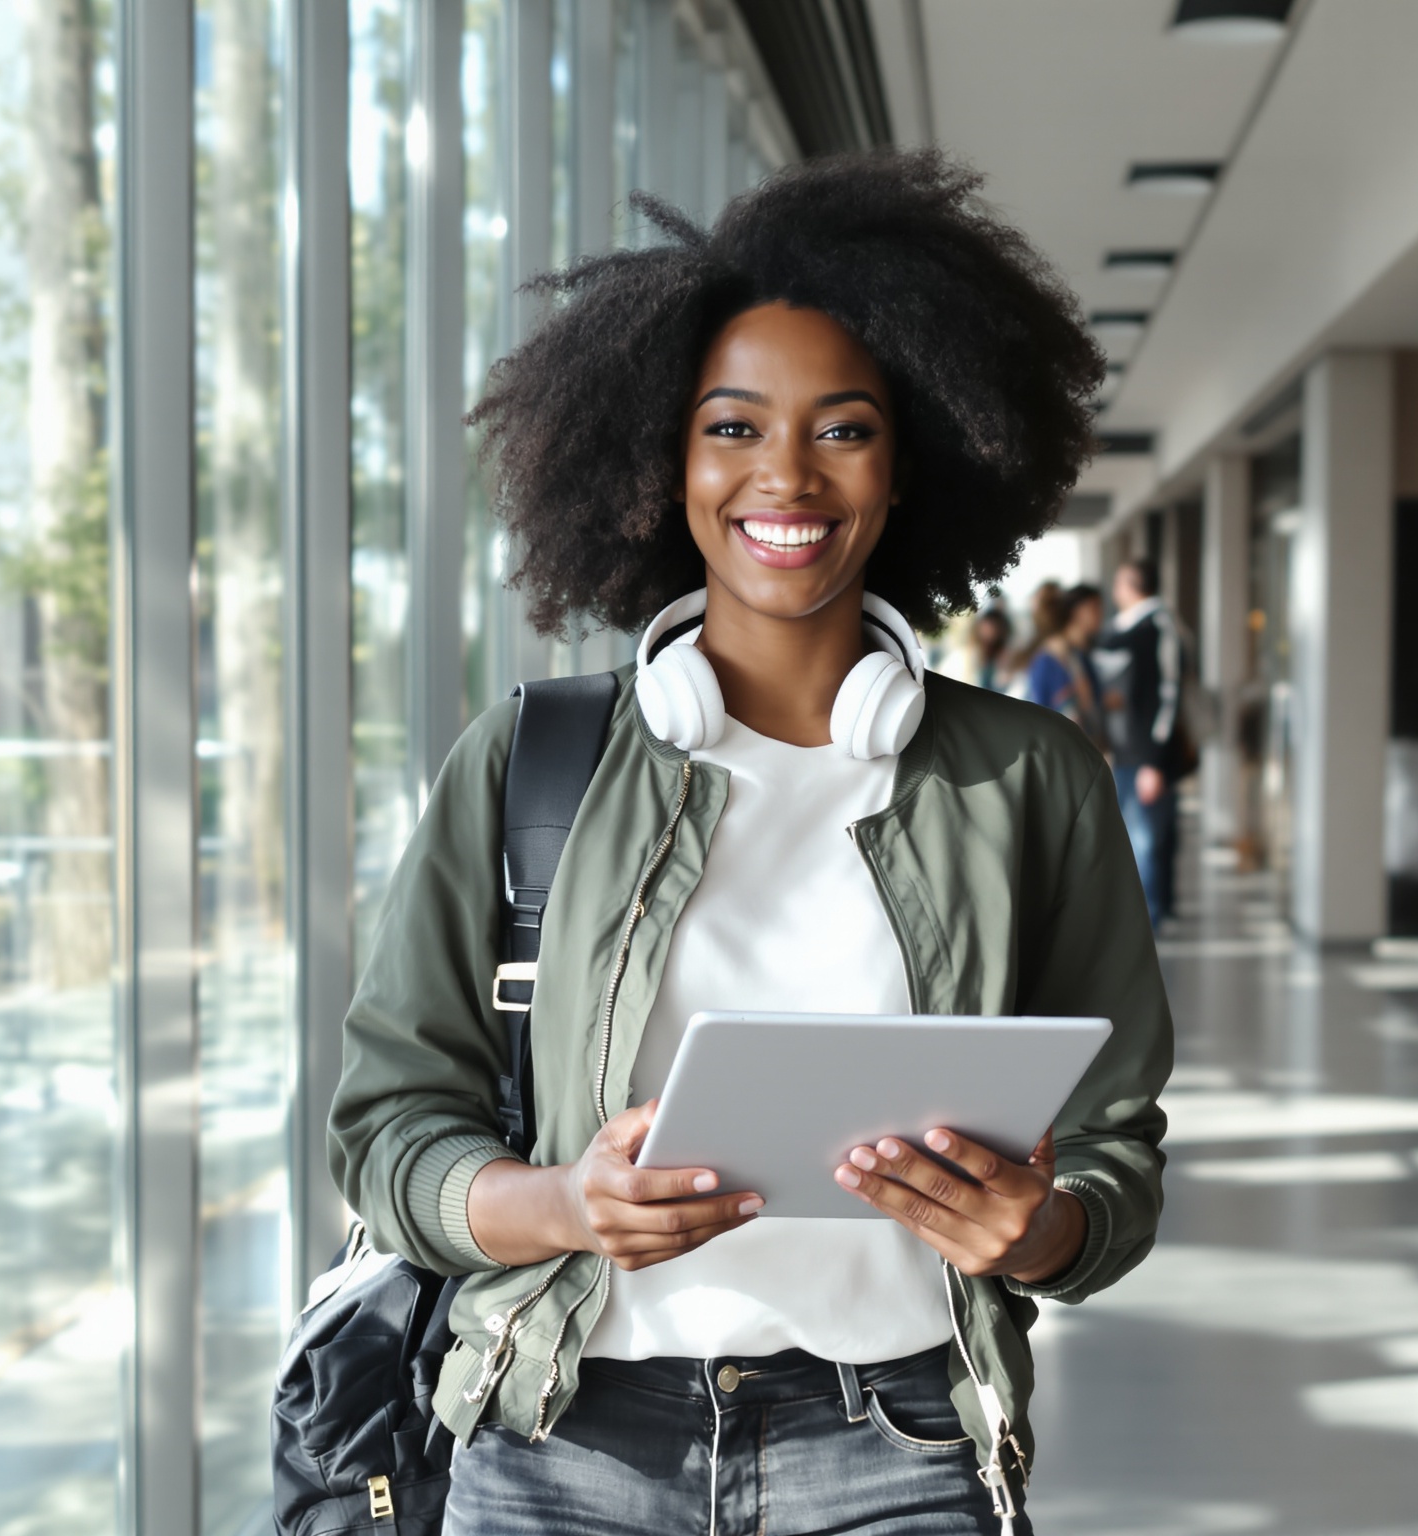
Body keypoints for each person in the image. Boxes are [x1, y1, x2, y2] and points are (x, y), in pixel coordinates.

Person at [329, 151, 1171, 1536]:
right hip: (562, 1438)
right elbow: (385, 1129)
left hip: (896, 1442)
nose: (785, 474)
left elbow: (1114, 1150)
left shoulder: (1029, 781)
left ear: (912, 468)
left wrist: (1042, 1229)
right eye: (733, 426)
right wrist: (562, 1206)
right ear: (664, 459)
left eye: (843, 429)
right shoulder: (534, 764)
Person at [1092, 558, 1187, 928]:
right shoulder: (1125, 628)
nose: (1115, 592)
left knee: (1148, 836)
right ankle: (1149, 911)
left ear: (1132, 585)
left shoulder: (1158, 626)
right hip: (1127, 751)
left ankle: (1151, 915)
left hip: (1147, 755)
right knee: (1139, 835)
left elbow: (1169, 694)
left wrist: (1155, 760)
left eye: (1119, 583)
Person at [1024, 583, 1107, 750]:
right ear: (1074, 612)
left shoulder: (1076, 655)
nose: (1101, 615)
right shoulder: (1049, 660)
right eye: (1094, 608)